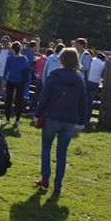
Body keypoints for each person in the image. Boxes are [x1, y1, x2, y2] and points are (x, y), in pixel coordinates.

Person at [33, 47, 87, 198]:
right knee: (62, 153)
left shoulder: (53, 76)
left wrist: (38, 115)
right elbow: (83, 103)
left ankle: (45, 179)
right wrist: (81, 123)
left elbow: (44, 97)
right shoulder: (79, 79)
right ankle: (58, 185)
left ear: (61, 60)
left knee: (46, 149)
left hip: (52, 117)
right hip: (70, 120)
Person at [1, 41, 29, 128]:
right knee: (19, 101)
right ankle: (17, 120)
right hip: (20, 82)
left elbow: (6, 70)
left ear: (12, 49)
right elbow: (26, 70)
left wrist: (4, 80)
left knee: (9, 100)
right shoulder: (24, 58)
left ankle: (7, 119)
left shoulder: (9, 58)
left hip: (11, 81)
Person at [85, 52, 106, 125]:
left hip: (87, 80)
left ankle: (80, 117)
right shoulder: (103, 64)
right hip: (95, 82)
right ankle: (87, 119)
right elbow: (103, 74)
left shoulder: (92, 60)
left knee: (83, 100)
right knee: (90, 102)